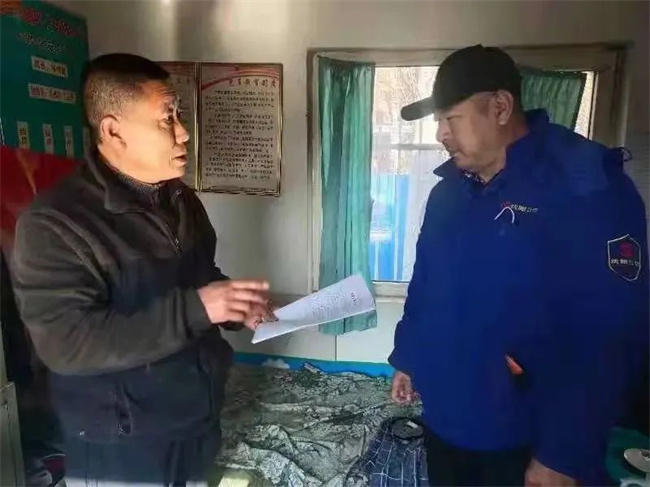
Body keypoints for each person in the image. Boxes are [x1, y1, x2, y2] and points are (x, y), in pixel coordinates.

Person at [389, 45, 648, 486]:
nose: (440, 134)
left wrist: (563, 454)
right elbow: (427, 285)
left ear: (500, 107)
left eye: (451, 119)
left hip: (528, 436)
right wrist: (408, 357)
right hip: (446, 418)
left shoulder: (585, 189)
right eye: (438, 121)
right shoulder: (448, 193)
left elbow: (612, 333)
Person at [11, 53, 275, 486]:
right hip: (120, 444)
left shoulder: (181, 200)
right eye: (166, 118)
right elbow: (67, 345)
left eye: (178, 116)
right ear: (113, 130)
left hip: (195, 420)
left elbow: (199, 277)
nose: (183, 132)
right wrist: (199, 308)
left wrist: (233, 305)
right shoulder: (56, 223)